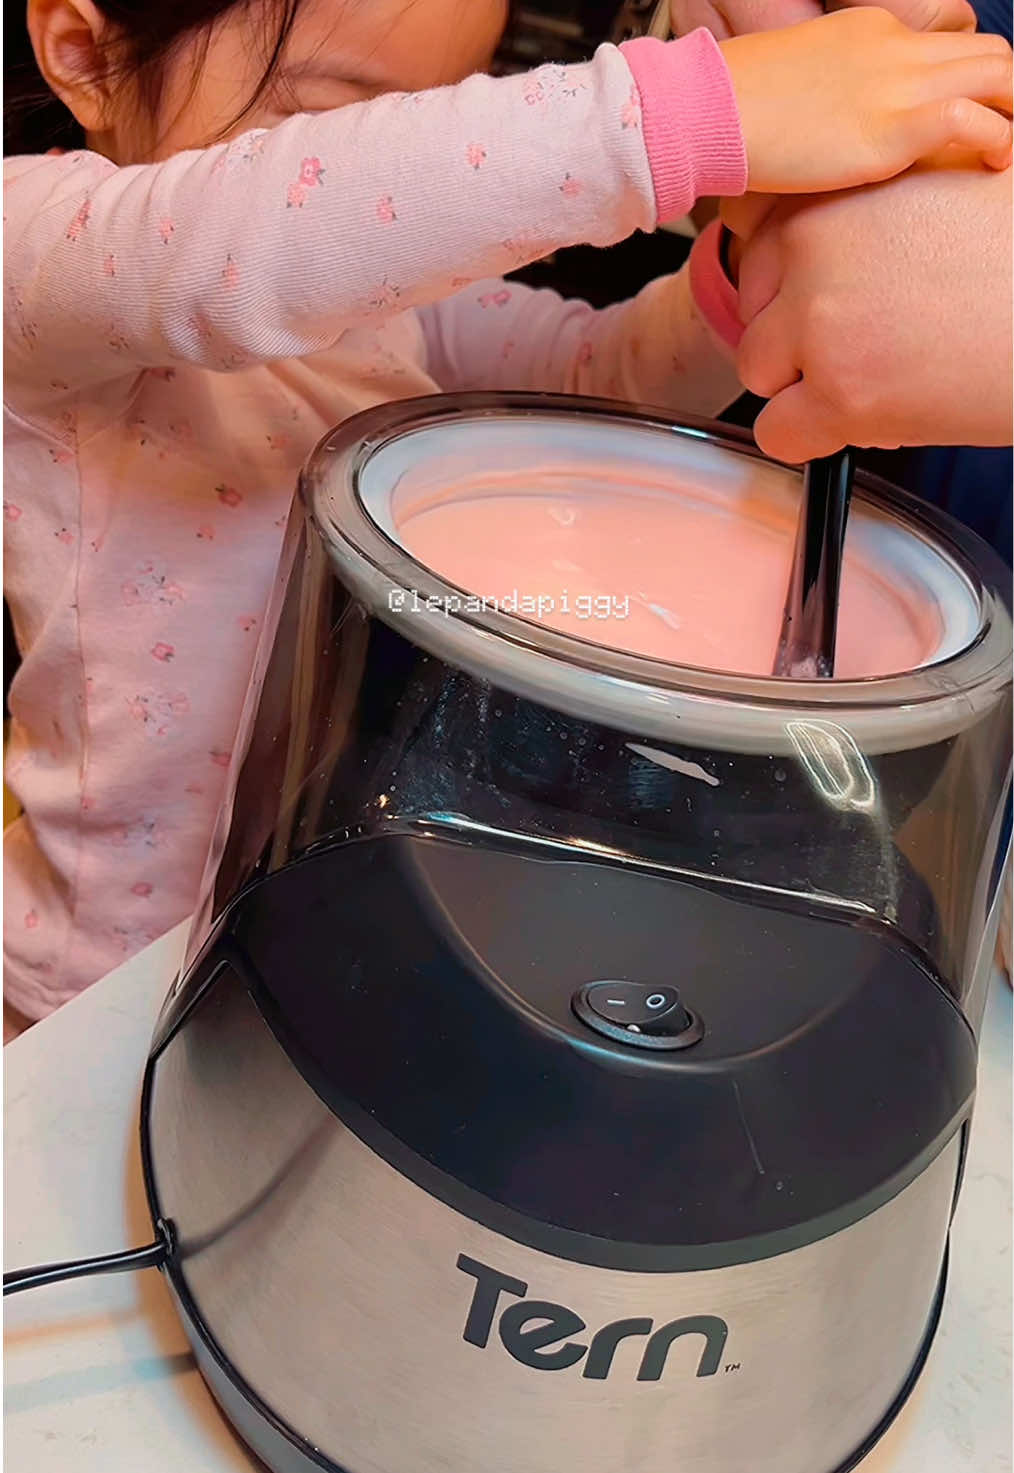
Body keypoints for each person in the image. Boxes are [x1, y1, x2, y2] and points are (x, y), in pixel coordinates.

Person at [4, 0, 1011, 1033]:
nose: (400, 160)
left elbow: (592, 374)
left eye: (431, 113)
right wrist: (683, 119)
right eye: (330, 116)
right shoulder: (35, 245)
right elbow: (226, 245)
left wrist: (753, 277)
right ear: (83, 53)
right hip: (105, 959)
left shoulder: (383, 304)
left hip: (333, 883)